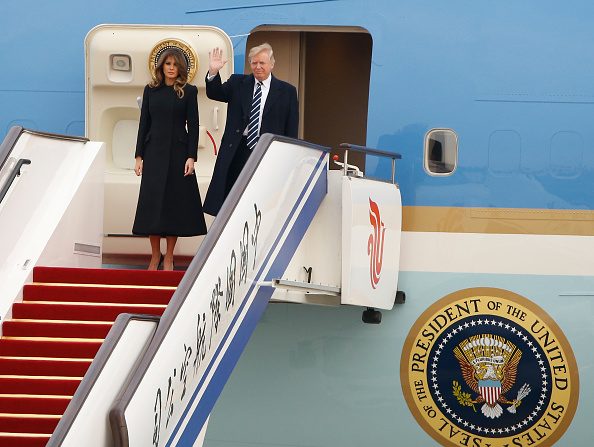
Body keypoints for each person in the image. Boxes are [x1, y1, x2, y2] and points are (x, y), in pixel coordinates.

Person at [203, 43, 299, 216]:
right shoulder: (237, 82)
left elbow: (291, 128)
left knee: (261, 198)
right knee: (231, 199)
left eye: (262, 63)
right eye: (254, 63)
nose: (258, 67)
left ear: (272, 64)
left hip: (267, 152)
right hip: (238, 150)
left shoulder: (287, 91)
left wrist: (288, 159)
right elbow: (215, 93)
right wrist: (213, 73)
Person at [132, 47, 207, 271]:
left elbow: (193, 126)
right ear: (161, 67)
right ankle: (155, 255)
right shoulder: (150, 90)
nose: (171, 68)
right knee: (152, 204)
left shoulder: (189, 91)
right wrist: (139, 155)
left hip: (178, 154)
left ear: (181, 68)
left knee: (173, 204)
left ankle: (170, 256)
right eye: (168, 64)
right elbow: (143, 123)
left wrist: (191, 157)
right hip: (153, 151)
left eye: (175, 65)